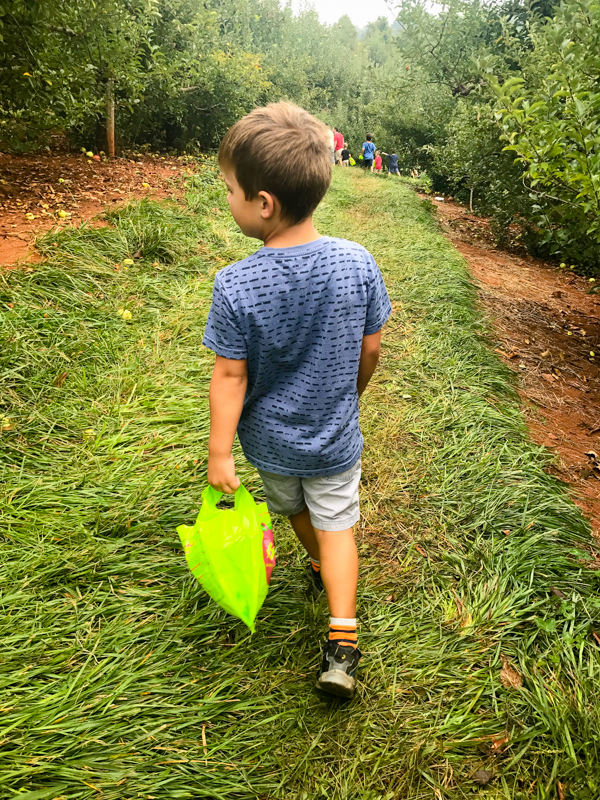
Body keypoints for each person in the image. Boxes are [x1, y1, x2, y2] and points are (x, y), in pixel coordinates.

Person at [204, 102, 392, 699]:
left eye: (229, 190)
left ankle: (315, 564)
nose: (226, 200)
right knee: (339, 528)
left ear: (264, 203)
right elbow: (371, 347)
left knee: (296, 511)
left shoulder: (235, 284)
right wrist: (351, 395)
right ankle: (342, 640)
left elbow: (230, 376)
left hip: (272, 445)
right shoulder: (357, 262)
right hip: (334, 437)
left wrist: (220, 452)